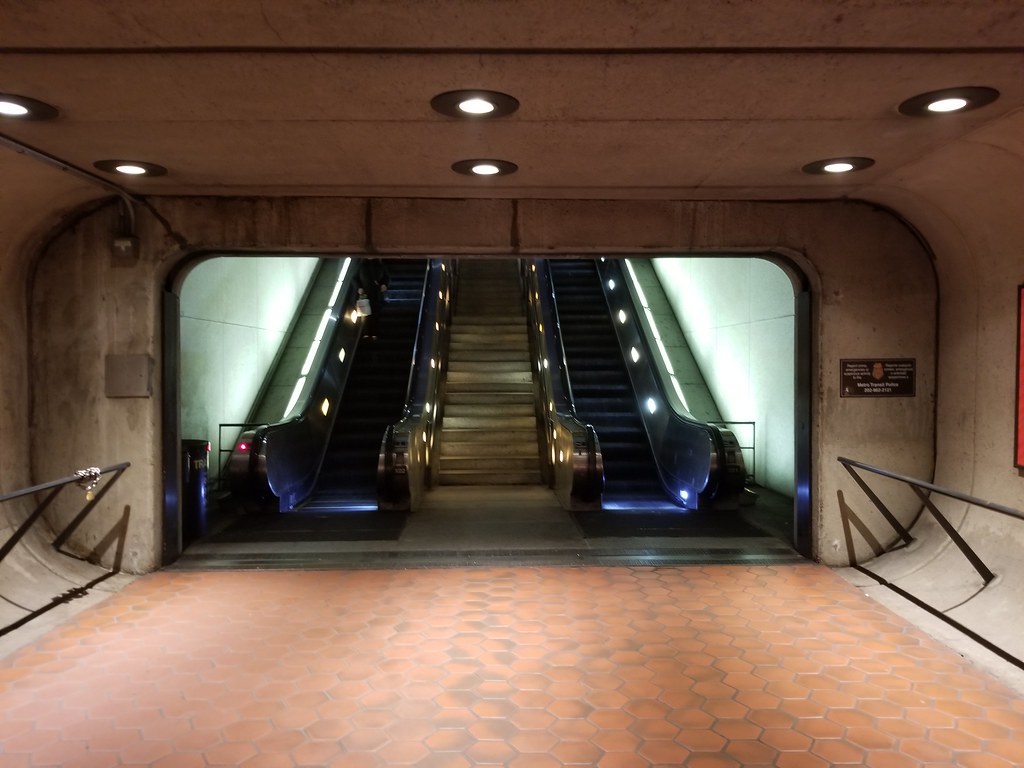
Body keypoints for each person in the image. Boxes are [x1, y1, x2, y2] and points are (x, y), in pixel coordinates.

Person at [355, 258, 389, 338]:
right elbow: (355, 278)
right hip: (365, 294)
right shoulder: (361, 266)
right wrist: (359, 288)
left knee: (375, 312)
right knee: (366, 313)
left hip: (376, 293)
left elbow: (386, 277)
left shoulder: (380, 265)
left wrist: (384, 285)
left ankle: (374, 332)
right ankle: (366, 332)